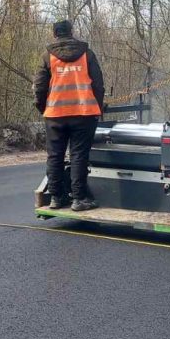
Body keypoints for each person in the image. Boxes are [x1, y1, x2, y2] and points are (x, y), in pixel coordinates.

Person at [33, 20, 105, 212]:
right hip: (83, 114)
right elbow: (98, 84)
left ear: (54, 33)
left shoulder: (48, 57)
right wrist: (98, 108)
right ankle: (79, 199)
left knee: (54, 156)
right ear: (71, 32)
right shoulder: (86, 54)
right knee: (78, 156)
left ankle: (56, 197)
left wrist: (44, 109)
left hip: (55, 115)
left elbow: (39, 87)